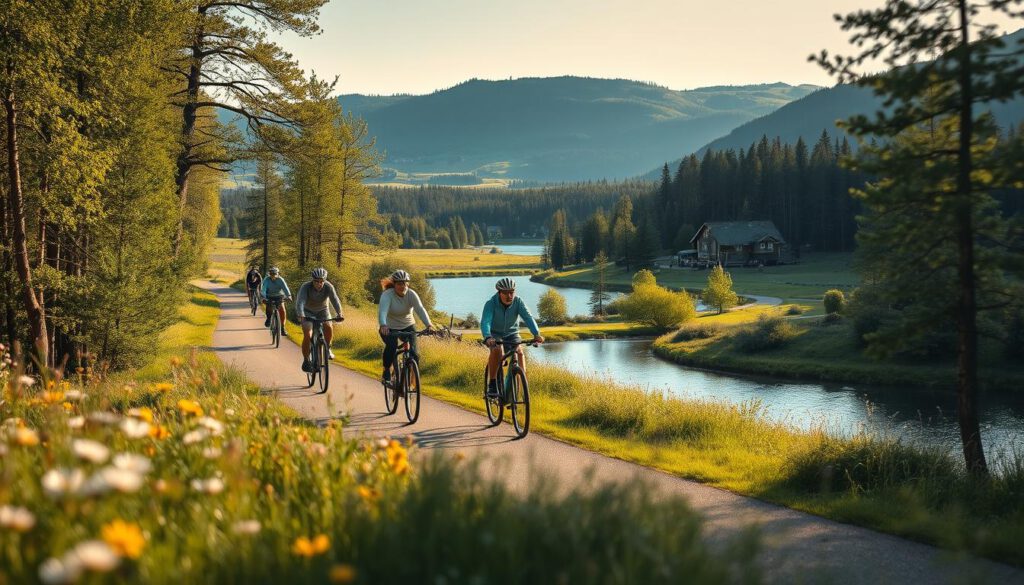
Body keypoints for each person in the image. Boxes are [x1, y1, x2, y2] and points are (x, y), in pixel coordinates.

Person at [480, 277, 543, 398]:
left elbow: (528, 318)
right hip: (495, 334)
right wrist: (488, 337)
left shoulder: (518, 302)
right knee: (497, 350)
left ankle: (524, 384)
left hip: (512, 333)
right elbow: (485, 322)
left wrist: (536, 334)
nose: (509, 296)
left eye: (511, 292)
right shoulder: (491, 303)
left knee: (519, 352)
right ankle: (492, 383)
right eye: (505, 293)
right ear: (499, 292)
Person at [378, 269, 433, 384]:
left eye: (404, 283)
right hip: (390, 327)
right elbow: (382, 312)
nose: (402, 286)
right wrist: (383, 324)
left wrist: (429, 324)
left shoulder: (411, 294)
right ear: (394, 284)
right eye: (399, 284)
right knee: (392, 346)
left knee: (415, 354)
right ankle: (386, 370)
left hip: (408, 326)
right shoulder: (387, 295)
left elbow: (420, 309)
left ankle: (410, 382)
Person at [296, 267, 343, 372]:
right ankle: (306, 360)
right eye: (316, 281)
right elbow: (300, 302)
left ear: (324, 281)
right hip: (307, 312)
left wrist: (339, 313)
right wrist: (301, 314)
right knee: (308, 333)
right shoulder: (306, 287)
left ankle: (328, 348)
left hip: (323, 310)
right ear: (312, 280)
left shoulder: (328, 286)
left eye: (321, 281)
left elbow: (335, 300)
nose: (319, 284)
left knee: (328, 326)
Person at [259, 266, 292, 332]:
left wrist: (289, 296)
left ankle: (282, 327)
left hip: (279, 296)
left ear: (278, 274)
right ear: (269, 274)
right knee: (269, 306)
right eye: (271, 274)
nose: (273, 275)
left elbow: (285, 288)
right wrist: (263, 297)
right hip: (269, 296)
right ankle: (268, 319)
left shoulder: (280, 280)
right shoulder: (267, 279)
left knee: (282, 309)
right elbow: (263, 289)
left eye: (274, 274)